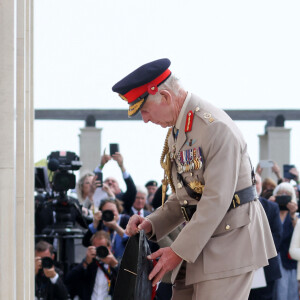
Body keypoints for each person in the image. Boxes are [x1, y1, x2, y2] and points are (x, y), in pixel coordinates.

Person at [112, 58, 277, 299]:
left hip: (230, 243)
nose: (145, 119)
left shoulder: (214, 127)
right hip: (201, 241)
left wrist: (177, 251)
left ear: (166, 97)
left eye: (144, 110)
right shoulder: (178, 131)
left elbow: (216, 200)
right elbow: (185, 199)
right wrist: (152, 223)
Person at [248, 173, 282, 300]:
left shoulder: (272, 208)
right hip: (242, 269)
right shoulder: (233, 208)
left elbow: (277, 237)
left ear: (261, 185)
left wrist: (255, 253)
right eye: (250, 181)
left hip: (266, 269)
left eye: (256, 182)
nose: (253, 185)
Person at [65, 230, 118, 299]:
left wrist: (115, 266)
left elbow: (125, 285)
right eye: (97, 248)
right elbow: (69, 280)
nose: (99, 251)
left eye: (102, 248)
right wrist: (86, 263)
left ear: (109, 247)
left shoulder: (114, 262)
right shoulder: (89, 264)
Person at [269, 182, 298, 300]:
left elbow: (297, 235)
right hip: (272, 259)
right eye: (281, 194)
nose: (284, 196)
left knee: (288, 292)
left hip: (288, 261)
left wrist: (292, 214)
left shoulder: (294, 216)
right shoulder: (271, 212)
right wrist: (270, 205)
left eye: (287, 194)